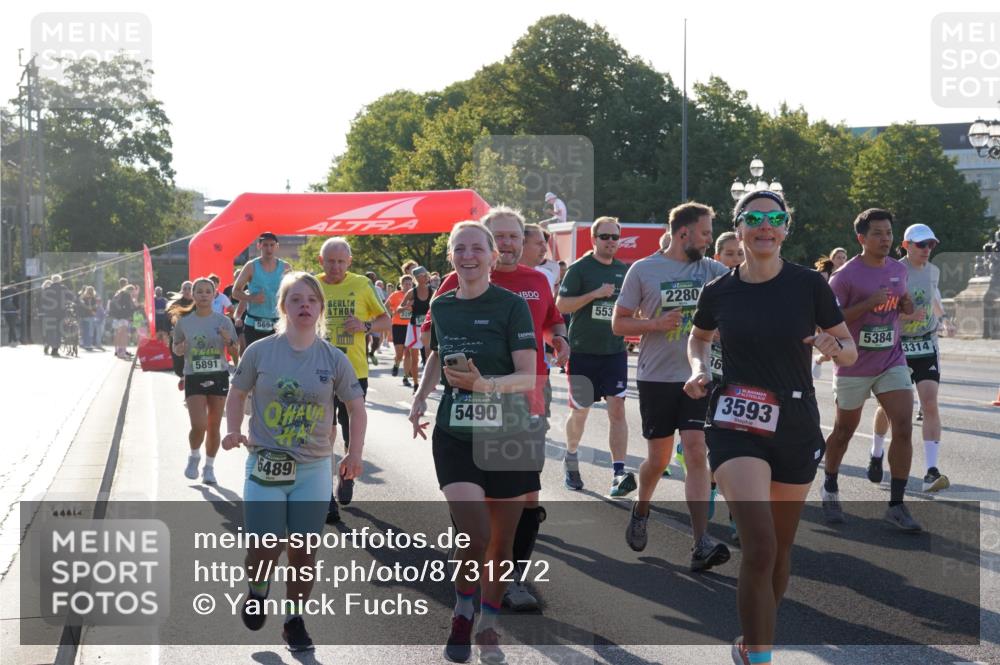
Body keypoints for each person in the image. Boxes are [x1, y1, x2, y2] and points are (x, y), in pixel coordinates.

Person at [684, 189, 856, 665]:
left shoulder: (808, 285)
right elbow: (697, 341)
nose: (765, 226)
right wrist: (698, 369)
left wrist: (831, 344)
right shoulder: (719, 290)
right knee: (758, 544)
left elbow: (849, 350)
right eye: (754, 218)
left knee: (779, 551)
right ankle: (760, 656)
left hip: (796, 421)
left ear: (785, 227)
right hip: (735, 419)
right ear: (739, 228)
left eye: (774, 218)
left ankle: (757, 636)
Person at [408, 220, 537, 665]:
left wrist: (485, 386)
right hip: (456, 436)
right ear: (450, 257)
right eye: (459, 249)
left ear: (492, 254)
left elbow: (527, 376)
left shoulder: (512, 307)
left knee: (501, 544)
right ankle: (463, 610)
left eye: (476, 248)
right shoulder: (441, 308)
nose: (468, 256)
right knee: (475, 533)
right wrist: (421, 396)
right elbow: (435, 356)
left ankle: (488, 623)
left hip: (509, 434)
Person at [223, 271, 366, 652]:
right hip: (266, 463)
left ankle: (293, 619)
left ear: (320, 308)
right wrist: (233, 428)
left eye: (311, 300)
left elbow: (356, 407)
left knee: (304, 551)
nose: (304, 305)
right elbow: (237, 394)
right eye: (295, 299)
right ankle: (257, 589)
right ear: (283, 307)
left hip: (313, 467)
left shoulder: (332, 358)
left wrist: (354, 454)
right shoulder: (260, 352)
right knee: (264, 546)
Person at [436, 207, 569, 611]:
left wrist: (560, 338)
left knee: (526, 497)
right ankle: (472, 556)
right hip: (467, 411)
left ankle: (512, 577)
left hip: (525, 401)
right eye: (502, 236)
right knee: (476, 505)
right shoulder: (452, 285)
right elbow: (439, 345)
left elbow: (552, 320)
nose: (508, 244)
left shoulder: (537, 282)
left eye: (514, 236)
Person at [615, 202, 731, 572]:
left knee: (697, 451)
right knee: (659, 459)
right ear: (684, 233)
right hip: (656, 377)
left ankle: (701, 542)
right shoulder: (644, 269)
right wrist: (654, 324)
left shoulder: (712, 270)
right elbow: (619, 324)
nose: (710, 239)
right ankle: (642, 506)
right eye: (706, 232)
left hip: (699, 378)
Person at [822, 208, 921, 531]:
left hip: (891, 359)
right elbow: (831, 322)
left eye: (889, 233)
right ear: (861, 238)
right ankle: (830, 484)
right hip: (853, 364)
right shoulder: (845, 277)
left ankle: (896, 504)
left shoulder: (897, 269)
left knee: (904, 426)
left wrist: (906, 306)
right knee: (844, 431)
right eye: (878, 233)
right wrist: (867, 303)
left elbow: (901, 302)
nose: (886, 239)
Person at [869, 223, 954, 493]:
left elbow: (933, 301)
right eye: (921, 244)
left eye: (930, 244)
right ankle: (876, 450)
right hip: (898, 346)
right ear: (906, 245)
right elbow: (878, 311)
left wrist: (943, 320)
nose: (927, 249)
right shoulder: (893, 271)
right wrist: (905, 316)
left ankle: (931, 471)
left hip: (925, 345)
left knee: (929, 404)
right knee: (889, 409)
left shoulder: (934, 272)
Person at [556, 217, 633, 496]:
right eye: (605, 237)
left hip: (614, 351)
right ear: (594, 239)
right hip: (584, 351)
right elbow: (562, 304)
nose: (611, 242)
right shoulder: (580, 269)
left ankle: (618, 473)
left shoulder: (624, 271)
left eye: (615, 237)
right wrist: (595, 294)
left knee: (617, 410)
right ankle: (572, 455)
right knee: (580, 412)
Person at [316, 237, 391, 519]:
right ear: (321, 262)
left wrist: (365, 325)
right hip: (318, 371)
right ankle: (326, 498)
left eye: (341, 261)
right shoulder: (312, 285)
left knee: (350, 433)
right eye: (330, 261)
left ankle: (346, 476)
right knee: (324, 433)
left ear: (349, 262)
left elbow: (386, 320)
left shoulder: (361, 284)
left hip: (353, 370)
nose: (335, 267)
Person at [171, 277, 240, 484]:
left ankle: (209, 467)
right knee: (199, 425)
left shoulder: (223, 321)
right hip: (194, 375)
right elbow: (176, 347)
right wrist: (179, 349)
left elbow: (236, 354)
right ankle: (194, 456)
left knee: (214, 426)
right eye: (198, 291)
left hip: (218, 375)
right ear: (192, 295)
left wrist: (228, 341)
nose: (203, 295)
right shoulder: (184, 322)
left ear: (214, 295)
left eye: (207, 291)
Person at [231, 232, 290, 349]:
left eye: (272, 245)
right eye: (265, 245)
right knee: (254, 361)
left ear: (277, 246)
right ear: (259, 246)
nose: (269, 249)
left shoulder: (285, 267)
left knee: (277, 361)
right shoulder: (251, 266)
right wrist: (251, 298)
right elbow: (235, 292)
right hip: (254, 323)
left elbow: (292, 294)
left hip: (278, 323)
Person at [400, 266, 435, 390]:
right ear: (417, 278)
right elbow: (399, 309)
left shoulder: (433, 291)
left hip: (428, 328)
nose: (426, 277)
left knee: (429, 357)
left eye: (426, 275)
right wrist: (407, 307)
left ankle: (428, 382)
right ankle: (415, 384)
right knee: (415, 359)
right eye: (423, 275)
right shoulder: (411, 292)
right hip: (414, 327)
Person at [385, 274, 415, 380]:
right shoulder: (395, 295)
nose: (407, 286)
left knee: (408, 352)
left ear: (412, 285)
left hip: (411, 326)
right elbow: (386, 307)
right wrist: (390, 316)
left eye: (409, 284)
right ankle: (396, 364)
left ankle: (406, 376)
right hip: (398, 326)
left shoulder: (415, 295)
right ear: (401, 285)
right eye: (405, 284)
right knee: (399, 353)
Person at [108, 278, 135, 359]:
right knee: (123, 334)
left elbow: (112, 302)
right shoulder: (125, 293)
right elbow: (130, 306)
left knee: (118, 334)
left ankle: (118, 350)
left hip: (117, 317)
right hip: (123, 316)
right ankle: (122, 351)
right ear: (126, 284)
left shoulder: (118, 292)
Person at [77, 286, 100, 350]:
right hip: (89, 316)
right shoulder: (91, 299)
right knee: (89, 331)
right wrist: (92, 309)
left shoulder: (83, 298)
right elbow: (93, 307)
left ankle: (85, 343)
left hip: (84, 316)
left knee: (85, 331)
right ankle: (88, 344)